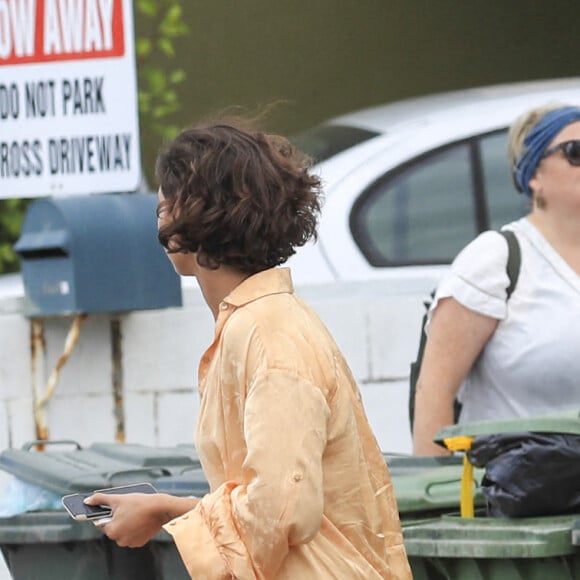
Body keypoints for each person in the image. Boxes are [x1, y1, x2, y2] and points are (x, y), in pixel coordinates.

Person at [85, 120, 411, 578]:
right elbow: (270, 497)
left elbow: (278, 513)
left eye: (173, 194)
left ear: (203, 212)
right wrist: (167, 510)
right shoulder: (256, 322)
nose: (161, 204)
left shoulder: (270, 334)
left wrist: (181, 517)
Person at [412, 103, 580, 456]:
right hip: (514, 499)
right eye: (576, 152)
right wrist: (435, 494)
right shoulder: (497, 259)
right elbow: (435, 393)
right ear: (534, 175)